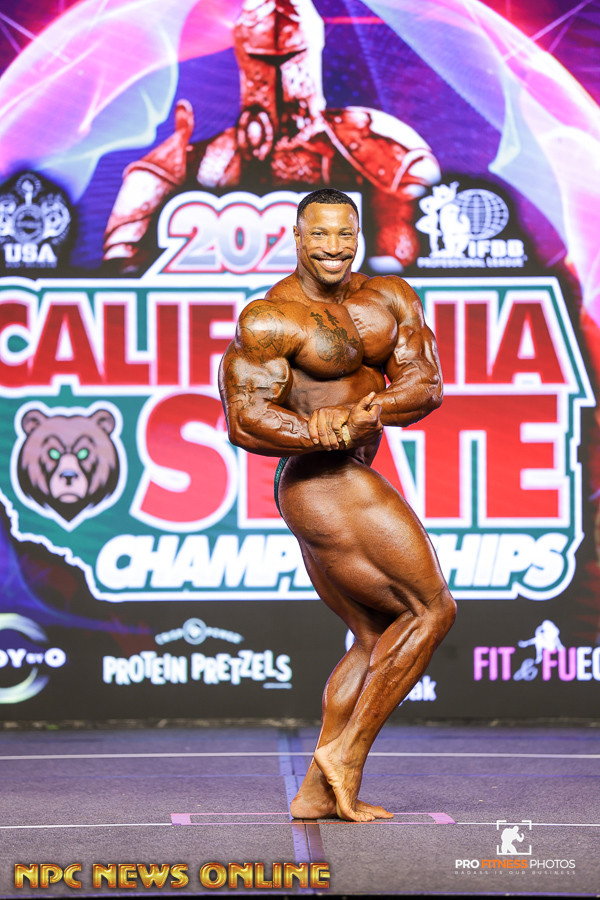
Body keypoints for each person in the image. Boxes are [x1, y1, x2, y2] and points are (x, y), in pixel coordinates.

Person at [218, 187, 456, 823]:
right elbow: (244, 419)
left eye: (344, 234)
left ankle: (315, 792)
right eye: (319, 235)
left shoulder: (390, 297)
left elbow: (425, 383)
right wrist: (316, 431)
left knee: (375, 635)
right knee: (431, 610)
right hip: (318, 480)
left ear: (358, 235)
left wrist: (368, 410)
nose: (333, 248)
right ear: (297, 237)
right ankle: (345, 755)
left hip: (345, 469)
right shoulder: (271, 318)